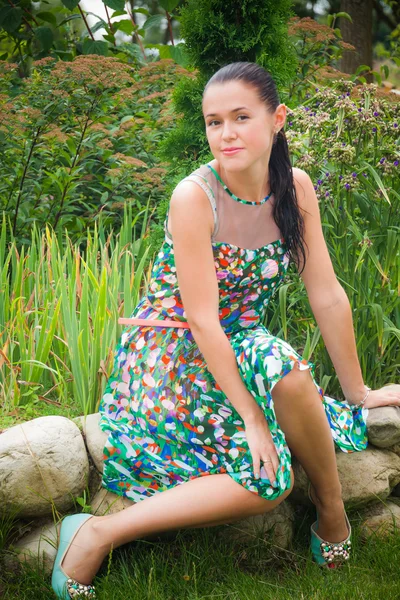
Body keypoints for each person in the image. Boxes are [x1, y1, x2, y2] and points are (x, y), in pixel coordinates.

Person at [51, 62, 400, 598]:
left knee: (285, 367)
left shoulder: (295, 188)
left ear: (277, 119)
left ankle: (332, 512)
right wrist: (253, 418)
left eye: (241, 117)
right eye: (214, 122)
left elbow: (326, 293)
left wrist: (359, 394)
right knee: (269, 479)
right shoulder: (195, 196)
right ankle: (98, 531)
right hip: (171, 354)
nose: (226, 133)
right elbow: (200, 319)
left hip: (240, 339)